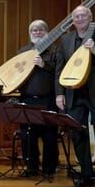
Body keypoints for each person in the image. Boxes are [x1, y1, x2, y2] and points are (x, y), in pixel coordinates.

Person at [55, 5, 95, 187]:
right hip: (74, 94)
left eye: (83, 15)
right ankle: (86, 175)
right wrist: (59, 93)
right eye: (76, 16)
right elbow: (59, 68)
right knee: (78, 135)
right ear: (72, 21)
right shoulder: (66, 40)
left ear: (90, 18)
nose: (80, 18)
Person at [17, 19, 58, 178]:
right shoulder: (23, 51)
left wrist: (44, 65)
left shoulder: (55, 51)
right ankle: (31, 168)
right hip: (27, 99)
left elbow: (60, 73)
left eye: (40, 29)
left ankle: (49, 169)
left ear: (47, 32)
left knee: (49, 136)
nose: (37, 32)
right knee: (27, 136)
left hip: (48, 100)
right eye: (33, 30)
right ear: (30, 33)